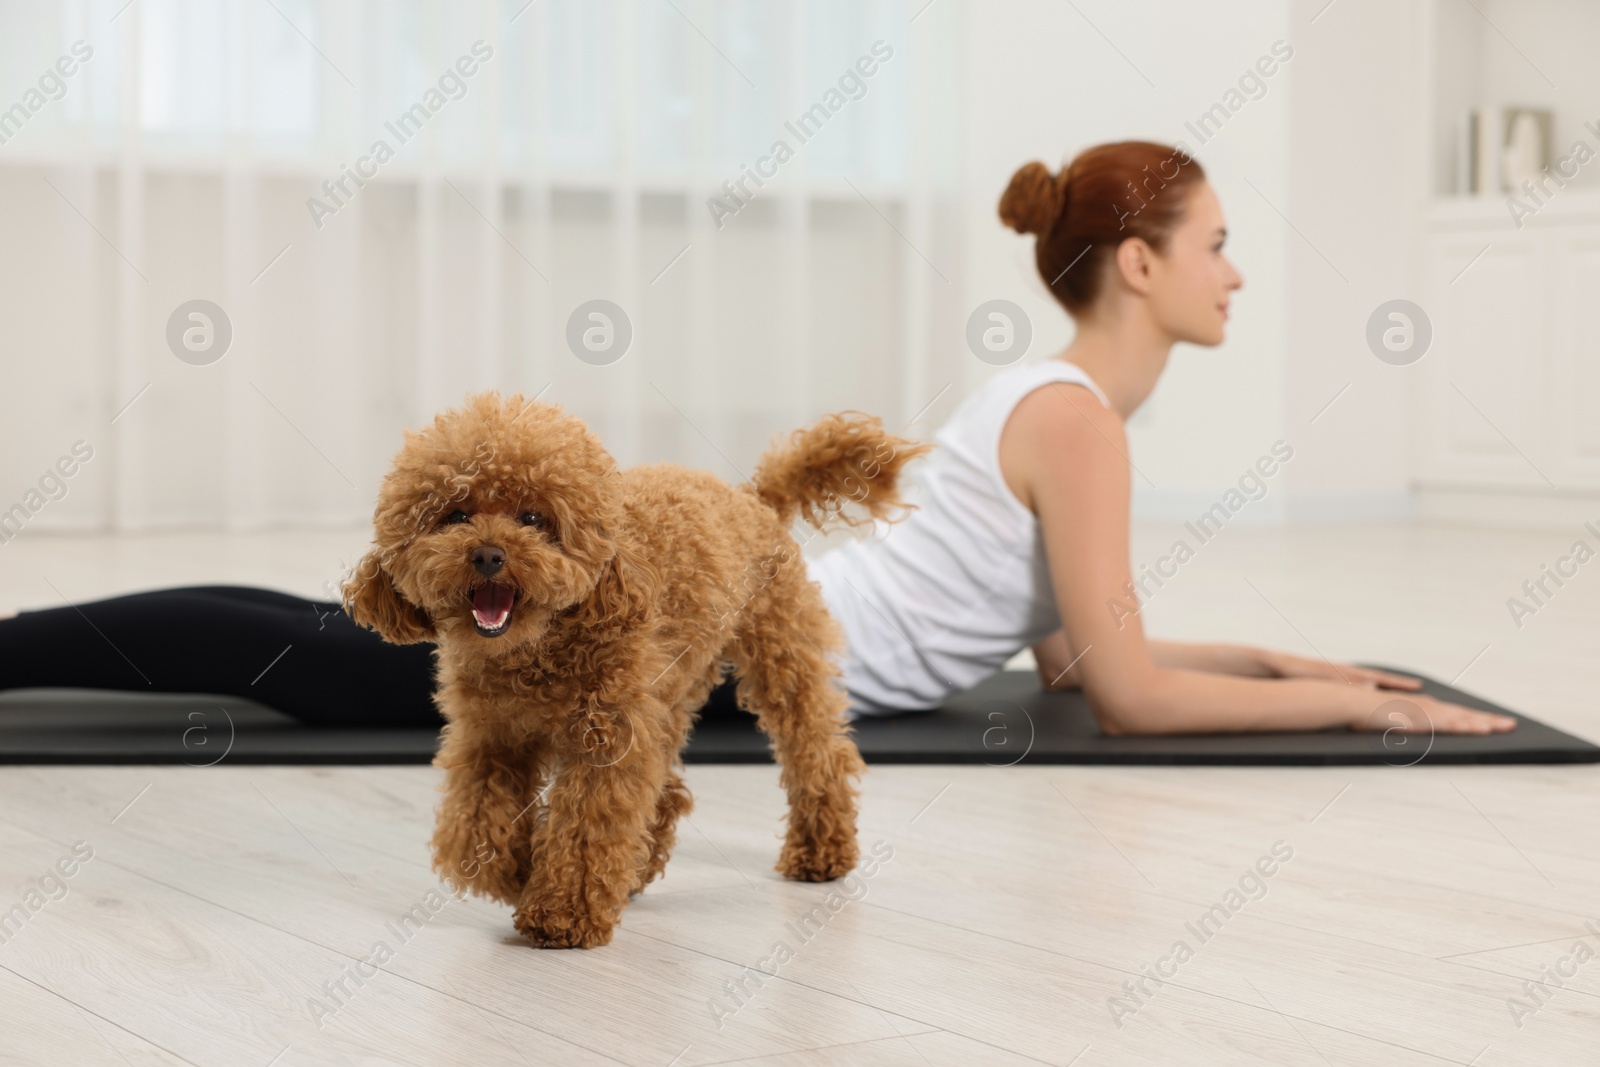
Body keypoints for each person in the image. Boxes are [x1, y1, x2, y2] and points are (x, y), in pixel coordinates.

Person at [0, 141, 1513, 737]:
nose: (1238, 271)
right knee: (340, 673)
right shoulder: (1083, 427)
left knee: (330, 642)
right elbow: (1120, 695)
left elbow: (1071, 651)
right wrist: (1361, 715)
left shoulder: (1052, 399)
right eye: (1219, 244)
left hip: (734, 614)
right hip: (720, 642)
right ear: (1139, 264)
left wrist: (1286, 664)